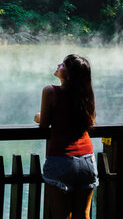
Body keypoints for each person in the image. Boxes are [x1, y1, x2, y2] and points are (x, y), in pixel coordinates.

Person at [34, 54, 98, 219]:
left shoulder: (51, 91)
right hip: (86, 159)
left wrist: (39, 116)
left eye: (63, 64)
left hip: (61, 159)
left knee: (61, 216)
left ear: (69, 75)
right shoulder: (86, 94)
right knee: (83, 215)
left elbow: (44, 124)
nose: (58, 65)